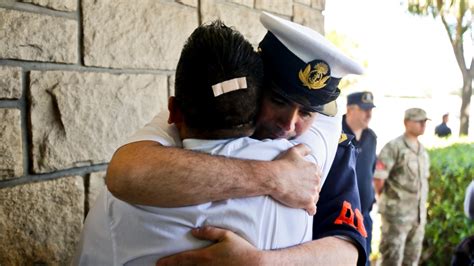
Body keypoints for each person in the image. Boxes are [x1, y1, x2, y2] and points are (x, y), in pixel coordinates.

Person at [107, 12, 368, 265]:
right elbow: (126, 173)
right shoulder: (207, 111)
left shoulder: (332, 148)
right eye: (278, 101)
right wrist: (275, 177)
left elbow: (348, 250)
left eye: (308, 112)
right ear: (256, 85)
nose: (289, 124)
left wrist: (262, 262)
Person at [373, 108, 431, 265]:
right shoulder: (394, 147)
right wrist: (389, 203)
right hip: (396, 218)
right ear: (406, 122)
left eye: (425, 121)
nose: (423, 125)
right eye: (419, 121)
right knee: (391, 260)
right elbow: (378, 179)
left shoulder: (422, 151)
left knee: (411, 260)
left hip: (417, 218)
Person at [343, 91, 377, 264]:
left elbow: (370, 172)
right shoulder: (336, 134)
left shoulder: (371, 137)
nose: (369, 114)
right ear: (349, 110)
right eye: (364, 109)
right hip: (341, 218)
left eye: (371, 109)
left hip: (364, 216)